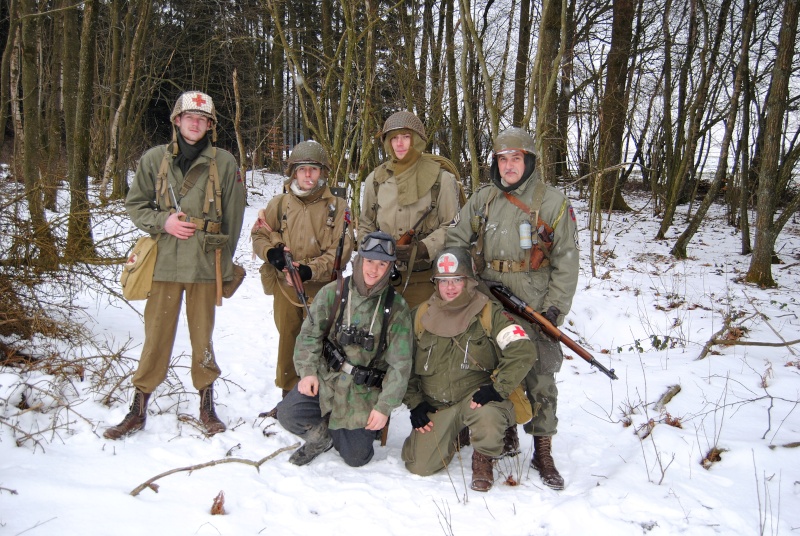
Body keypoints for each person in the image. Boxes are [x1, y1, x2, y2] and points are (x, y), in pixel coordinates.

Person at [105, 91, 246, 439]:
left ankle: (206, 406)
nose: (195, 123)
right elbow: (135, 204)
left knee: (203, 339)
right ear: (177, 121)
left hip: (203, 263)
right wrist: (163, 222)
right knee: (156, 338)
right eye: (189, 117)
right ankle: (138, 408)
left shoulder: (225, 163)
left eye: (202, 119)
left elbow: (234, 217)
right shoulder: (154, 159)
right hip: (165, 261)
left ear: (210, 126)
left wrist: (224, 266)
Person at [446, 127, 579, 490]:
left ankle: (543, 447)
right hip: (490, 297)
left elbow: (567, 261)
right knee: (491, 368)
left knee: (540, 373)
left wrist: (554, 309)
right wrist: (462, 284)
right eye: (502, 159)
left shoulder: (552, 202)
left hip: (535, 300)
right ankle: (502, 432)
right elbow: (456, 240)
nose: (508, 166)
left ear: (529, 161)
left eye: (515, 159)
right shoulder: (484, 199)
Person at [402, 247, 536, 492]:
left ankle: (484, 456)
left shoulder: (489, 313)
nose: (450, 287)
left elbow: (522, 349)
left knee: (488, 416)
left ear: (469, 281)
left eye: (457, 280)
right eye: (444, 281)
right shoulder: (420, 315)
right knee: (419, 466)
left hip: (475, 400)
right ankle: (455, 434)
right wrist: (415, 402)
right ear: (435, 284)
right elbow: (403, 363)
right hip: (437, 404)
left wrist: (498, 388)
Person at [276, 231, 413, 467]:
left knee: (355, 457)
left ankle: (344, 431)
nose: (374, 270)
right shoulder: (334, 292)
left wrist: (383, 407)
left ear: (390, 267)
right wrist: (308, 371)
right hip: (327, 379)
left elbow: (400, 365)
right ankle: (322, 437)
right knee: (288, 414)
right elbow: (309, 334)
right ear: (359, 260)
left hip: (363, 393)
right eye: (369, 261)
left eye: (382, 264)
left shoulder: (397, 308)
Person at [251, 140, 354, 399]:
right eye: (302, 169)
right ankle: (288, 395)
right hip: (286, 287)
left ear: (323, 172)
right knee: (288, 338)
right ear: (293, 172)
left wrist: (309, 270)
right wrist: (272, 253)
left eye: (314, 169)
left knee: (320, 341)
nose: (308, 175)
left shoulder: (338, 207)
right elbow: (260, 233)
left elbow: (341, 252)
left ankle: (319, 395)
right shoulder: (280, 203)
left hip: (323, 289)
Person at [358, 111, 462, 308]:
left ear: (417, 140)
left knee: (421, 334)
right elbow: (365, 224)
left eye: (406, 137)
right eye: (394, 138)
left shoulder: (442, 179)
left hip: (425, 279)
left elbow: (454, 227)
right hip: (382, 279)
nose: (399, 144)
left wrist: (424, 248)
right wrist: (374, 255)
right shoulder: (376, 179)